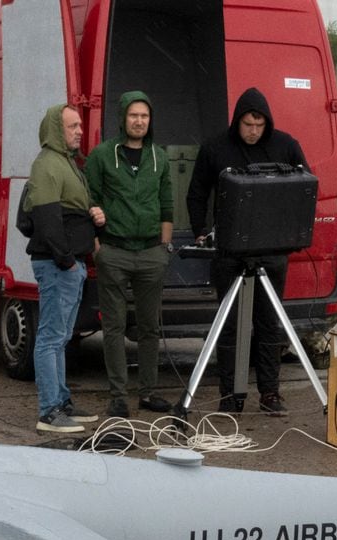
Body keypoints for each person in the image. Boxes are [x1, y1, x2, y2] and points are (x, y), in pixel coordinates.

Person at [187, 88, 306, 414]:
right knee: (229, 324)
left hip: (272, 249)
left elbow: (305, 186)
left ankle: (269, 393)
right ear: (237, 121)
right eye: (247, 124)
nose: (253, 131)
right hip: (229, 252)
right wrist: (200, 231)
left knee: (269, 324)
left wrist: (293, 231)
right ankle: (231, 394)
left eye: (259, 124)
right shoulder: (215, 147)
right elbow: (196, 193)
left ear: (266, 123)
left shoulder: (286, 145)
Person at [84, 90, 174, 419]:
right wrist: (98, 247)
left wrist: (164, 247)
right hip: (114, 251)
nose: (139, 121)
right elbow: (89, 196)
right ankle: (118, 396)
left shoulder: (159, 157)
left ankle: (147, 392)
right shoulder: (103, 155)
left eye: (145, 116)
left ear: (150, 121)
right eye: (134, 115)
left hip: (151, 252)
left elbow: (167, 204)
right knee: (114, 327)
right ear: (123, 118)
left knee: (150, 327)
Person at [25, 103, 102, 433]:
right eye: (73, 126)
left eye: (80, 125)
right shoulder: (47, 166)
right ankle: (49, 412)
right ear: (57, 129)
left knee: (60, 337)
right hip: (59, 266)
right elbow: (46, 220)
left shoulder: (67, 163)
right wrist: (68, 261)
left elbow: (72, 211)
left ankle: (62, 401)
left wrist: (94, 215)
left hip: (71, 266)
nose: (80, 131)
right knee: (51, 337)